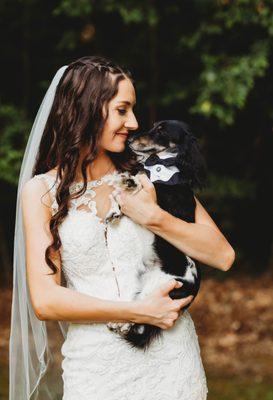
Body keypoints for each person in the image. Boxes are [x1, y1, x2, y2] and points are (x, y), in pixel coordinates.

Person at [9, 55, 235, 400]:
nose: (134, 123)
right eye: (122, 110)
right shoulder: (40, 192)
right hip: (95, 372)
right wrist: (140, 311)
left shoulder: (151, 176)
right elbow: (46, 300)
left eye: (133, 110)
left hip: (172, 365)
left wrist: (153, 216)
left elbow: (222, 255)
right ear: (86, 110)